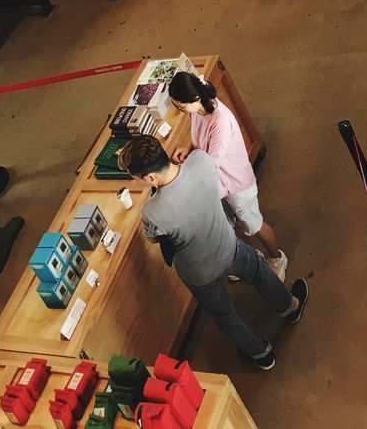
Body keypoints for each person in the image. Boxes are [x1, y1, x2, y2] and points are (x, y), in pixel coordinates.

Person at [118, 134, 308, 370]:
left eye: (137, 179)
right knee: (260, 273)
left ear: (150, 177)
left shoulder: (152, 212)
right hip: (228, 245)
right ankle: (289, 307)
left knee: (225, 314)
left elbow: (155, 238)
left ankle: (260, 354)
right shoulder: (200, 161)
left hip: (199, 272)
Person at [168, 70, 287, 279]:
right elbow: (200, 141)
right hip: (219, 185)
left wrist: (180, 177)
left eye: (181, 106)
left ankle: (276, 257)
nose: (180, 111)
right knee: (229, 224)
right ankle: (245, 259)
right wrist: (188, 148)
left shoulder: (219, 122)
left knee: (253, 224)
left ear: (195, 98)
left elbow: (210, 165)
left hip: (235, 184)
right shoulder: (198, 110)